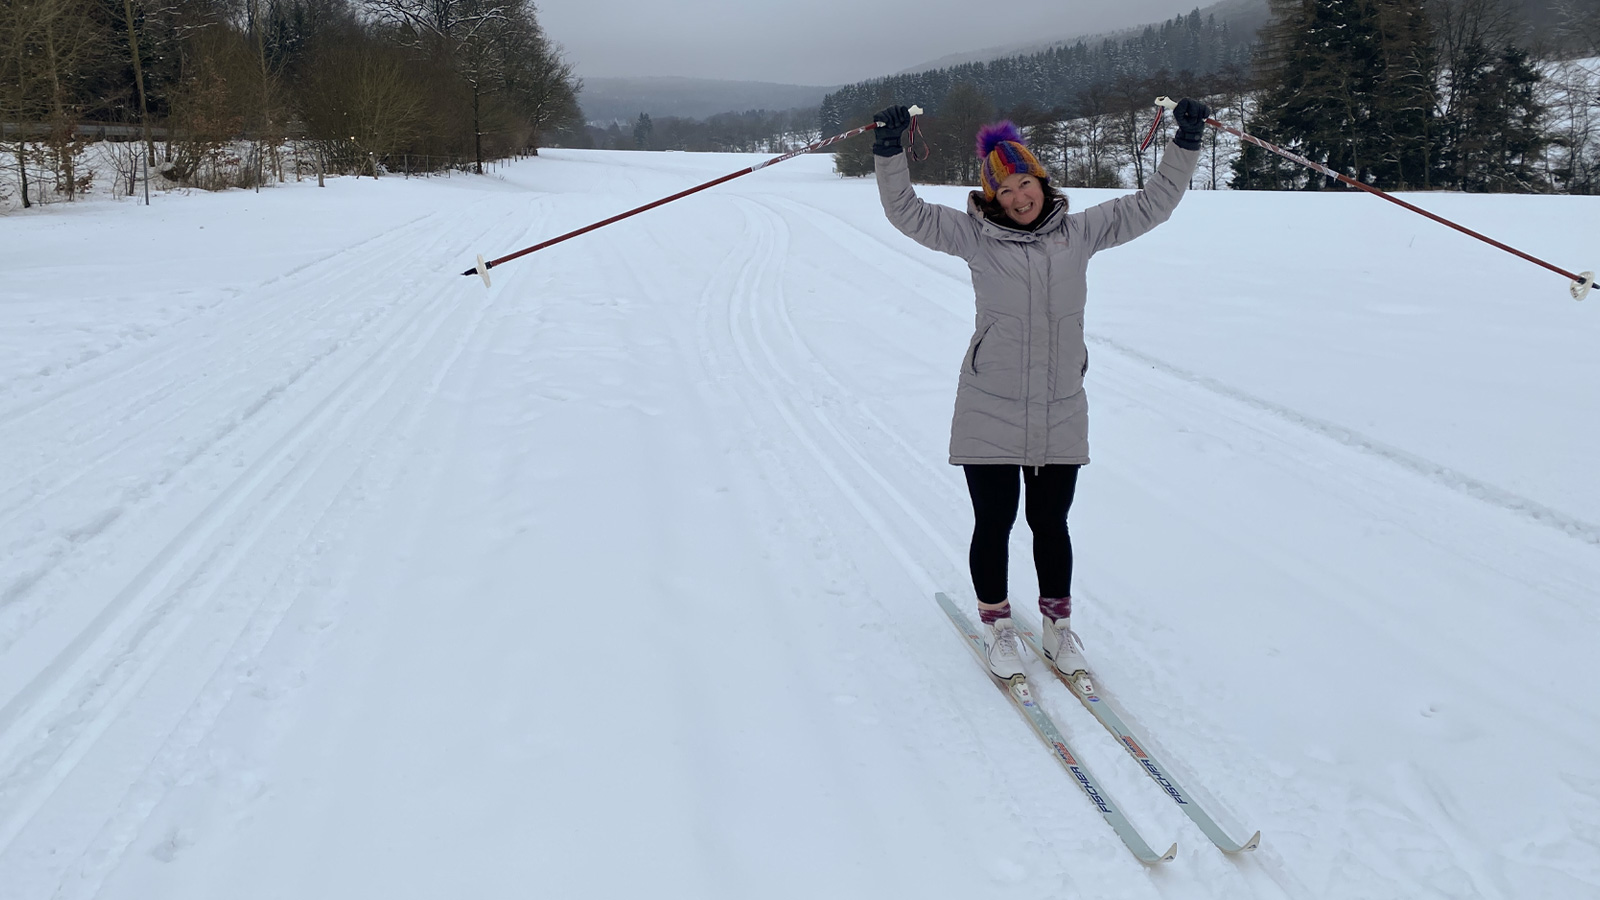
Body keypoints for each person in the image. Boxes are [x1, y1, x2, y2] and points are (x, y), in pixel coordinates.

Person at [871, 99, 1209, 686]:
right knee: (995, 521)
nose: (1018, 197)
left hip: (1059, 408)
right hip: (989, 405)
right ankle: (999, 627)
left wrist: (1184, 143)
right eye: (1005, 191)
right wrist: (888, 150)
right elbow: (906, 211)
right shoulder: (974, 237)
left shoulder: (1079, 234)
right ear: (991, 198)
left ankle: (1056, 628)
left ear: (1042, 182)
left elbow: (1152, 203)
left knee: (1052, 523)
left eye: (1025, 182)